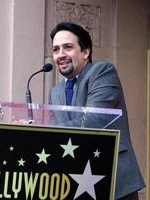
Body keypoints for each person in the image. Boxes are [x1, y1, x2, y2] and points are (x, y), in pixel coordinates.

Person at [48, 22, 145, 199]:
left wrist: (43, 128)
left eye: (67, 47)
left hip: (114, 179)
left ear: (86, 52)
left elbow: (93, 121)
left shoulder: (102, 72)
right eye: (55, 49)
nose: (60, 55)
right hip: (75, 182)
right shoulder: (55, 92)